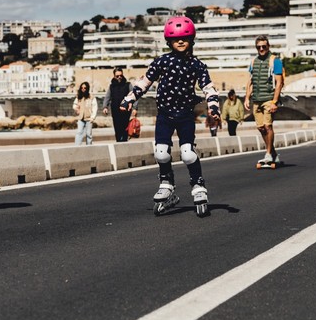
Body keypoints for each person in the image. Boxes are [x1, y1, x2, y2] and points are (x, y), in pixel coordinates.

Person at [119, 16, 220, 215]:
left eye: (185, 38)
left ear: (192, 39)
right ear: (169, 41)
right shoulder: (162, 61)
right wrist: (129, 99)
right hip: (165, 115)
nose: (180, 42)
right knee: (161, 153)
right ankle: (167, 184)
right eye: (176, 39)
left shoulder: (197, 65)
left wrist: (214, 107)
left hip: (185, 116)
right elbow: (145, 81)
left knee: (188, 153)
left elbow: (208, 87)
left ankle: (198, 185)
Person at [244, 35, 284, 166]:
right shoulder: (253, 62)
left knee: (268, 126)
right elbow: (250, 81)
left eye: (264, 46)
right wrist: (246, 98)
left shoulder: (275, 61)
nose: (261, 49)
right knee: (261, 128)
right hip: (256, 100)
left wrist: (274, 101)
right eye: (259, 47)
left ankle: (268, 154)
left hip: (268, 99)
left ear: (268, 46)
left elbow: (279, 83)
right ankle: (273, 154)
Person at [102, 67, 137, 142]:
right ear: (114, 76)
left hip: (126, 110)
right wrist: (105, 107)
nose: (119, 77)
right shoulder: (111, 86)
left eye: (120, 75)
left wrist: (134, 108)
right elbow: (107, 97)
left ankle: (124, 140)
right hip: (115, 110)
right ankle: (118, 141)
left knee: (125, 127)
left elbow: (134, 95)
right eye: (117, 76)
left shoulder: (128, 85)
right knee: (117, 127)